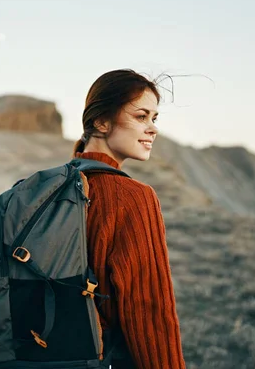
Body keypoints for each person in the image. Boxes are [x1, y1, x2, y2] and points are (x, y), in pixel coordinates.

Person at [72, 69, 186, 369]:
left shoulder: (52, 187)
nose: (153, 129)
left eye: (155, 118)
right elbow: (150, 313)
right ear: (101, 121)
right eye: (141, 116)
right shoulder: (131, 197)